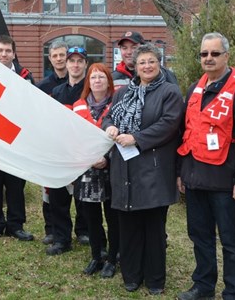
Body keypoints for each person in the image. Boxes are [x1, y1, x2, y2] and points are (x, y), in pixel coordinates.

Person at [176, 32, 235, 300]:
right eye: (204, 54)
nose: (208, 58)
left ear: (227, 56)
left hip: (226, 182)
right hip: (195, 178)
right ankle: (203, 286)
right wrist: (181, 173)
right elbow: (187, 132)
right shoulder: (194, 88)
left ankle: (233, 291)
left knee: (230, 241)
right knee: (199, 236)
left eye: (214, 53)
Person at [103, 44, 182, 294]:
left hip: (153, 170)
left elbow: (169, 125)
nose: (147, 66)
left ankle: (155, 279)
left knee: (153, 228)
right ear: (134, 67)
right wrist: (110, 127)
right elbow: (109, 116)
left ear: (159, 64)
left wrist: (137, 138)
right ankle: (131, 276)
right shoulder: (123, 93)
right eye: (142, 62)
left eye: (151, 61)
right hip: (124, 169)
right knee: (128, 226)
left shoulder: (169, 92)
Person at [0, 34, 34, 242]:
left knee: (15, 184)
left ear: (14, 53)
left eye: (8, 51)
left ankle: (15, 225)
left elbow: (31, 106)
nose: (4, 54)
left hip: (14, 139)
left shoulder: (25, 76)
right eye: (0, 50)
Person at [46, 46, 97, 255]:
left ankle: (83, 230)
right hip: (61, 151)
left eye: (79, 61)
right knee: (58, 196)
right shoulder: (57, 92)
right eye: (72, 61)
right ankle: (61, 238)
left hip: (84, 152)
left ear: (85, 64)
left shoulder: (92, 89)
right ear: (66, 64)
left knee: (83, 194)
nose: (75, 65)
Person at [72, 63, 120, 278]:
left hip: (113, 170)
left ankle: (112, 257)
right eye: (93, 77)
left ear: (108, 81)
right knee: (91, 216)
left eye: (102, 77)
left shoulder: (118, 105)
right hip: (88, 170)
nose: (97, 81)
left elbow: (122, 137)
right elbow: (73, 138)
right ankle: (96, 254)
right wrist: (90, 159)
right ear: (88, 82)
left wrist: (106, 159)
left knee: (113, 216)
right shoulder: (79, 106)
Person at [35, 40, 69, 245]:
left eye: (62, 55)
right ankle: (52, 229)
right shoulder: (43, 86)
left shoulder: (82, 84)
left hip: (74, 147)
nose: (59, 59)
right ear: (50, 59)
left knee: (79, 192)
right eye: (55, 56)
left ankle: (82, 229)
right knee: (49, 191)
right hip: (51, 147)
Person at [112, 31, 177, 89]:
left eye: (134, 47)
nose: (129, 52)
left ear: (143, 49)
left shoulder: (164, 74)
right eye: (124, 48)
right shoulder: (113, 77)